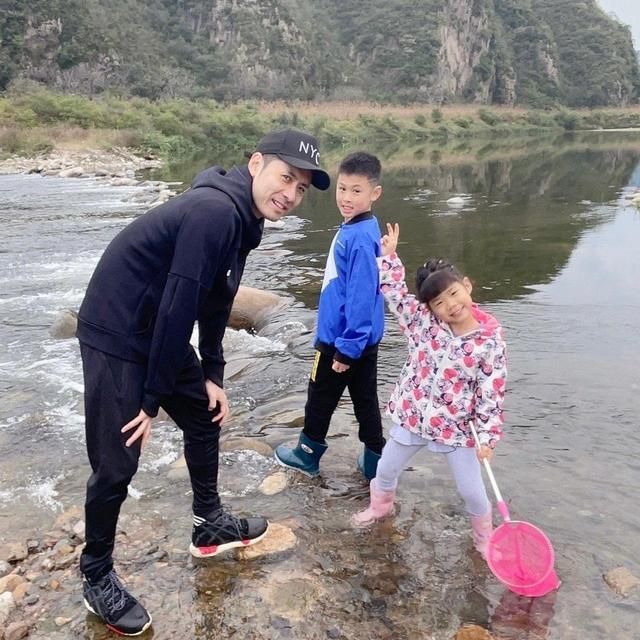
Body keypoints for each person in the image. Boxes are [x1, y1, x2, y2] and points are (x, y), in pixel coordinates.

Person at [76, 128, 330, 636]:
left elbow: (218, 298)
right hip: (117, 330)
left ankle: (208, 523)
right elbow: (177, 306)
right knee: (119, 455)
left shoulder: (243, 219)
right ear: (256, 163)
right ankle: (96, 573)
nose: (291, 195)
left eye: (302, 189)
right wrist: (149, 401)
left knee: (203, 411)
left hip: (152, 328)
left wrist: (212, 374)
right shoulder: (215, 212)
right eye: (287, 178)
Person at [352, 223, 507, 560]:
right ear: (430, 309)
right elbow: (395, 294)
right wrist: (389, 258)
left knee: (472, 492)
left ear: (467, 287)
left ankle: (483, 538)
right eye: (439, 302)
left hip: (457, 428)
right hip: (412, 416)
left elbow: (491, 394)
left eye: (453, 293)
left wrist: (488, 437)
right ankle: (380, 508)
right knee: (386, 469)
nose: (450, 305)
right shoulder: (423, 325)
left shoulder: (489, 344)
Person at [274, 151, 386, 480]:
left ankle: (306, 455)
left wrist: (346, 347)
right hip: (362, 339)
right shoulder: (362, 228)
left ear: (374, 193)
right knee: (365, 399)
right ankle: (375, 459)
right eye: (342, 189)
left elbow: (361, 297)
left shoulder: (360, 239)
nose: (347, 198)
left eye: (356, 191)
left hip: (341, 339)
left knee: (320, 397)